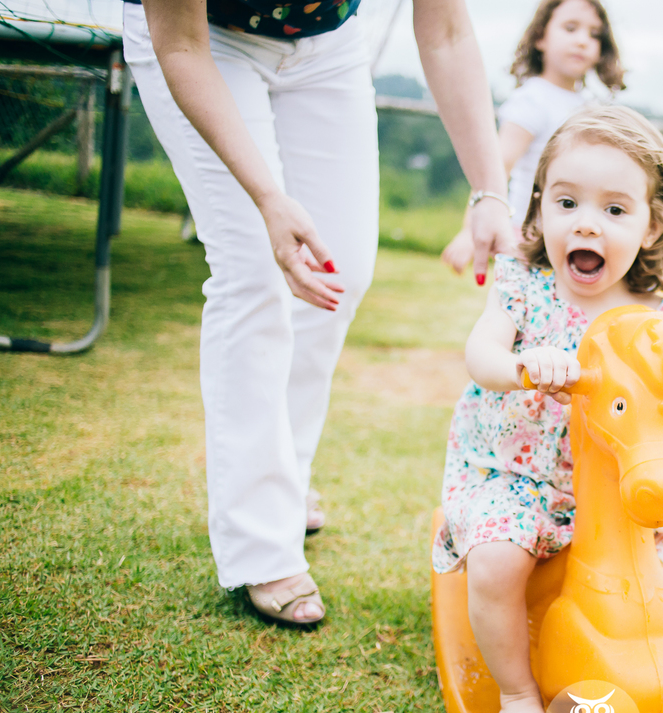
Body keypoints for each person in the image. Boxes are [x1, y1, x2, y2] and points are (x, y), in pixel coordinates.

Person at [122, 0, 515, 625]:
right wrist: (269, 199)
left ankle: (283, 478)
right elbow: (181, 47)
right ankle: (260, 545)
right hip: (204, 44)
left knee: (340, 272)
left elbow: (444, 31)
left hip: (326, 47)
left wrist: (490, 190)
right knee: (254, 272)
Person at [433, 106, 663, 713]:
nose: (587, 223)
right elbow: (482, 355)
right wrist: (525, 364)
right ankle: (519, 692)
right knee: (498, 556)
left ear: (652, 224)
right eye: (567, 202)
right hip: (522, 476)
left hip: (616, 495)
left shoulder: (659, 323)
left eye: (614, 210)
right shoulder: (524, 289)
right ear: (539, 209)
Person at [440, 0, 624, 276]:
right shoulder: (533, 99)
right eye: (570, 28)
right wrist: (469, 230)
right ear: (540, 38)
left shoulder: (589, 106)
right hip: (527, 238)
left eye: (594, 34)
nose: (583, 41)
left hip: (571, 237)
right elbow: (497, 165)